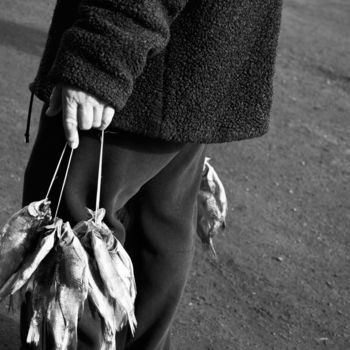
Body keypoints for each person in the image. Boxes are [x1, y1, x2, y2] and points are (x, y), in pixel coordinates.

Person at [20, 1, 283, 349]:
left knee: (69, 250)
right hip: (195, 49)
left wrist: (103, 58)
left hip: (137, 66)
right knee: (158, 229)